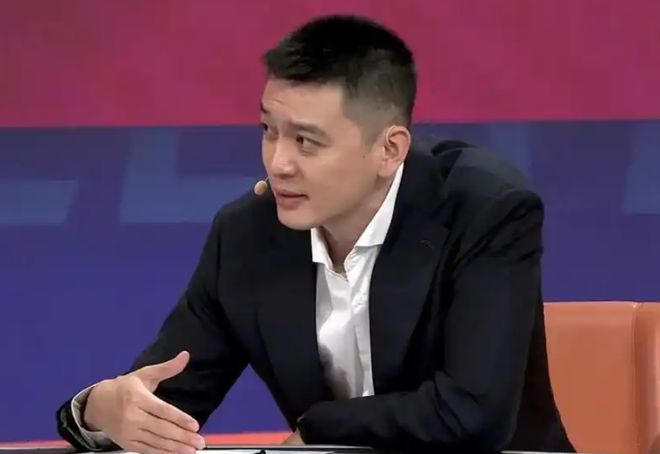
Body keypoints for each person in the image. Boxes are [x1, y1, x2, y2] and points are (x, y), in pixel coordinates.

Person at [56, 14, 574, 454]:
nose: (278, 163)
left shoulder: (484, 209)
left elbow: (473, 413)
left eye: (306, 141)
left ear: (389, 150)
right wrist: (99, 409)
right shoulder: (248, 236)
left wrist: (318, 428)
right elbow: (164, 403)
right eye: (269, 131)